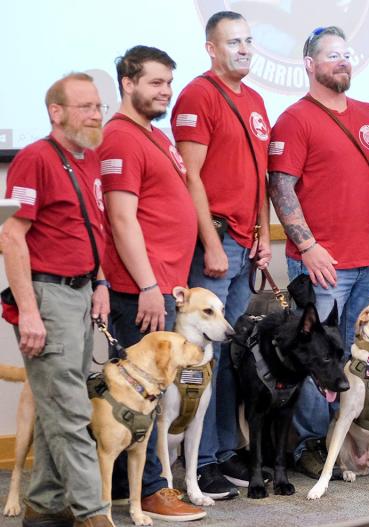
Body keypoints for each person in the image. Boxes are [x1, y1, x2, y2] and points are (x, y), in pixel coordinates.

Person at [267, 26, 369, 478]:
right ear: (309, 64)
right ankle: (308, 444)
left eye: (347, 54)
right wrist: (307, 245)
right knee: (313, 357)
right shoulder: (295, 119)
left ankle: (350, 446)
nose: (343, 61)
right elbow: (281, 186)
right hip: (321, 265)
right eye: (332, 55)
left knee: (358, 359)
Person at [0, 72, 113, 527]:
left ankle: (45, 507)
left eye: (98, 106)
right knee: (70, 413)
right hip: (48, 297)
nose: (94, 114)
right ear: (56, 112)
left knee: (57, 408)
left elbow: (92, 229)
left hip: (82, 293)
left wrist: (100, 283)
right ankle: (94, 514)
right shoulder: (34, 159)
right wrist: (29, 310)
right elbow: (11, 234)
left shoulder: (89, 159)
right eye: (84, 106)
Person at [98, 45, 205, 521]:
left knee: (151, 395)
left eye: (168, 82)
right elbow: (122, 220)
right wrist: (146, 286)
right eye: (156, 83)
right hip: (140, 290)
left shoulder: (155, 136)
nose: (166, 91)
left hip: (166, 284)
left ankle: (132, 488)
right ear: (127, 83)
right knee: (137, 397)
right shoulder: (120, 138)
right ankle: (151, 491)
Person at [171, 10, 272, 498]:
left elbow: (258, 174)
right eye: (234, 42)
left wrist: (263, 237)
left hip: (247, 240)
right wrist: (211, 243)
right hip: (214, 241)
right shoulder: (197, 94)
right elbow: (191, 176)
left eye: (249, 41)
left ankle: (227, 449)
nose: (245, 50)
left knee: (230, 352)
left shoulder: (254, 99)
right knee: (200, 357)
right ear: (211, 48)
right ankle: (203, 457)